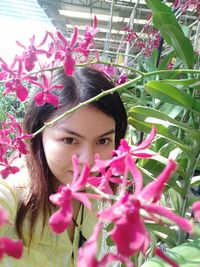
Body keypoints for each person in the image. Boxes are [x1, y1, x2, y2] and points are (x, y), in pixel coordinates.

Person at [0, 67, 127, 266]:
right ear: (37, 134)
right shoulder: (13, 191)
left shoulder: (97, 194)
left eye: (103, 141)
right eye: (69, 139)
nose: (88, 161)